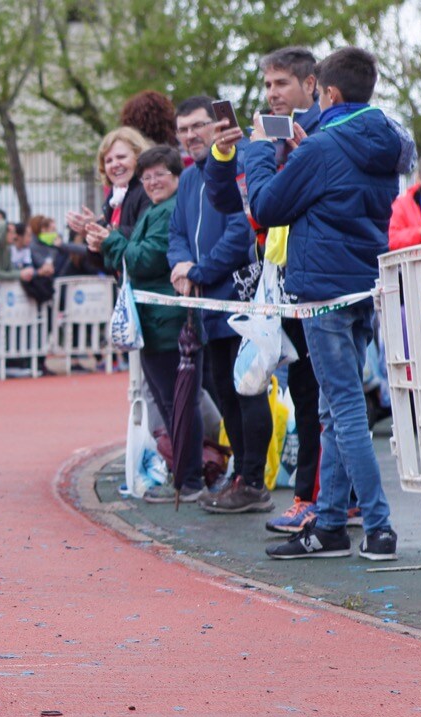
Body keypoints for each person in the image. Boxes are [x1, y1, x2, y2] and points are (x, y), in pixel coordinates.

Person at [244, 47, 407, 561]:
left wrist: (255, 149)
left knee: (345, 409)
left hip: (323, 291)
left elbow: (267, 206)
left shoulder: (321, 148)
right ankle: (331, 524)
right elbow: (341, 190)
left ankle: (378, 525)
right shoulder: (387, 140)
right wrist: (308, 147)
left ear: (326, 92)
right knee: (336, 412)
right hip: (362, 285)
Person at [205, 46, 327, 533]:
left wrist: (259, 153)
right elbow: (227, 200)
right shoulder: (272, 137)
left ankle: (314, 499)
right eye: (268, 85)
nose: (272, 94)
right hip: (280, 283)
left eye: (281, 84)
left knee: (321, 396)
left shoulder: (319, 134)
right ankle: (324, 498)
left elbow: (271, 202)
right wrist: (224, 153)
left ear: (311, 84)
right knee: (305, 394)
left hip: (316, 284)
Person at [165, 96, 271, 511]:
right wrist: (180, 266)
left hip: (239, 298)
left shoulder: (237, 164)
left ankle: (254, 480)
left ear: (217, 127)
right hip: (207, 306)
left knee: (248, 390)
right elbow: (177, 232)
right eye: (184, 129)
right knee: (224, 392)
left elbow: (240, 231)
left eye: (198, 126)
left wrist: (198, 272)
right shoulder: (190, 178)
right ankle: (242, 476)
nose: (191, 135)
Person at [88, 145, 205, 501]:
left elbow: (143, 260)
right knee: (173, 402)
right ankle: (186, 475)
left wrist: (111, 239)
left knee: (178, 403)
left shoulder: (167, 211)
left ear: (176, 176)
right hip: (156, 322)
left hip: (167, 322)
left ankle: (190, 479)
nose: (152, 182)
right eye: (147, 176)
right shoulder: (156, 209)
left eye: (160, 175)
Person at [67, 126, 153, 273]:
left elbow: (142, 234)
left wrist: (101, 228)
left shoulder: (147, 190)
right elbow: (107, 263)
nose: (115, 164)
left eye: (121, 157)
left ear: (138, 157)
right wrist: (92, 237)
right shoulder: (113, 199)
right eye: (108, 160)